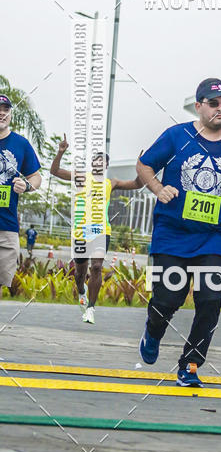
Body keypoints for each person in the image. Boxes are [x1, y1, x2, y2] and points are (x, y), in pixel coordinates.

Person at [137, 78, 221, 388]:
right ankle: (154, 330)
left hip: (212, 237)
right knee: (168, 298)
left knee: (211, 301)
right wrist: (158, 188)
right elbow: (143, 165)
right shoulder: (176, 136)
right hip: (172, 233)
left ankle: (191, 365)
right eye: (214, 103)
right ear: (199, 106)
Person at [50, 135, 141, 324]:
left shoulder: (111, 183)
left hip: (101, 229)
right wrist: (60, 152)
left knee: (97, 266)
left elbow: (137, 184)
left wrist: (141, 165)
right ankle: (81, 291)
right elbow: (55, 171)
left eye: (103, 162)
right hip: (81, 230)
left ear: (106, 166)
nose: (99, 164)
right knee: (80, 272)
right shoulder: (81, 177)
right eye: (96, 161)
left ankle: (91, 308)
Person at [0, 95, 42, 290]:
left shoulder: (21, 144)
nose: (2, 113)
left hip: (6, 226)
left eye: (6, 109)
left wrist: (26, 185)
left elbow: (36, 177)